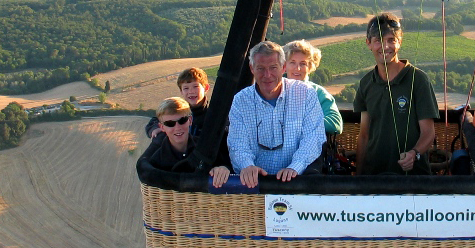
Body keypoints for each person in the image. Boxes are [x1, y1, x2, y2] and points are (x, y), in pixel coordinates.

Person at [228, 41, 326, 188]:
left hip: (295, 182)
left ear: (283, 67)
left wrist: (295, 167)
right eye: (261, 68)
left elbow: (313, 138)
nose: (267, 75)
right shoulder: (241, 100)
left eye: (273, 68)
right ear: (252, 69)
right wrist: (247, 166)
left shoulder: (305, 94)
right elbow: (237, 143)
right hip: (255, 184)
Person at [353, 13, 439, 175]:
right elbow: (364, 135)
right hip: (375, 176)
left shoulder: (418, 80)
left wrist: (414, 153)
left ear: (399, 43)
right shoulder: (366, 83)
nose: (385, 47)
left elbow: (428, 132)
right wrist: (359, 177)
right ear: (368, 44)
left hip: (413, 179)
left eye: (391, 40)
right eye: (378, 40)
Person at [143, 97, 229, 187]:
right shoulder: (157, 162)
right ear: (162, 127)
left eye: (182, 121)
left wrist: (223, 168)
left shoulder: (206, 148)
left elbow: (224, 164)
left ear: (190, 120)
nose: (177, 128)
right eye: (170, 124)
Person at [283, 39, 343, 135]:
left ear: (310, 67)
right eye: (292, 62)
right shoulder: (273, 89)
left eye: (303, 64)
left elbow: (335, 124)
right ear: (284, 65)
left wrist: (298, 123)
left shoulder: (319, 93)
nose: (297, 68)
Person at [145, 67, 210, 140]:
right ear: (181, 91)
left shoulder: (214, 114)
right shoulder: (178, 109)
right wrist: (155, 128)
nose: (191, 91)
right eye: (186, 88)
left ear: (206, 88)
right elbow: (155, 121)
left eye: (195, 86)